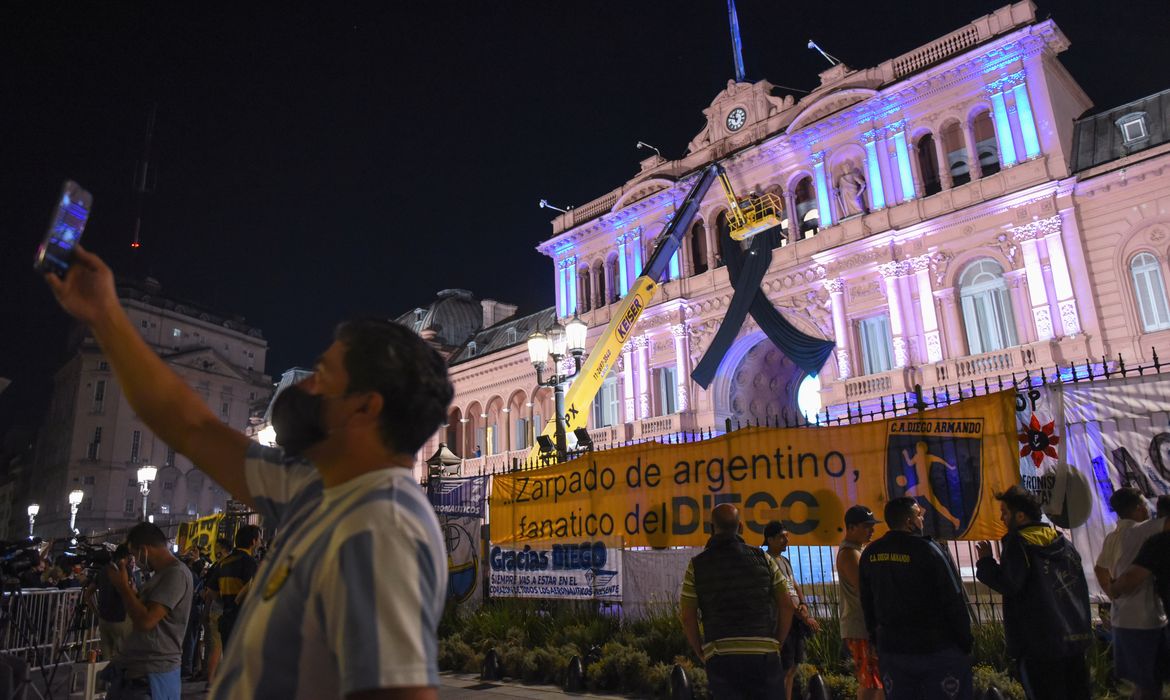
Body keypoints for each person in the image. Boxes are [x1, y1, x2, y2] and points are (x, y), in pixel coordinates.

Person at [46, 246, 452, 700]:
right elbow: (193, 426)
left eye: (321, 376)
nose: (302, 388)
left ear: (365, 406)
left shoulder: (382, 524)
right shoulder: (316, 489)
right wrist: (105, 316)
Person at [975, 486, 1092, 700]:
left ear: (1020, 516)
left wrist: (985, 562)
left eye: (1005, 512)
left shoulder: (1020, 545)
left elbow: (1010, 583)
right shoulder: (1063, 543)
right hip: (1073, 638)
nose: (1001, 518)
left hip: (1039, 643)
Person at [859, 497, 973, 699]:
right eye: (919, 515)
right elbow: (953, 597)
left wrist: (876, 639)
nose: (922, 520)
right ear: (909, 522)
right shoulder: (929, 549)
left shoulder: (871, 553)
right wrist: (965, 640)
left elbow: (867, 603)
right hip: (934, 648)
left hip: (893, 650)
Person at [680, 504, 795, 700]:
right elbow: (787, 605)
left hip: (721, 655)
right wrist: (777, 641)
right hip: (763, 655)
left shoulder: (697, 565)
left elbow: (687, 615)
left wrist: (700, 650)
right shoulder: (764, 559)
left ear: (711, 529)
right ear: (741, 527)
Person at [104, 522, 194, 700]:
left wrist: (123, 588)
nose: (134, 560)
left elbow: (146, 621)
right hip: (136, 671)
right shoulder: (161, 575)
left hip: (152, 675)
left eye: (134, 554)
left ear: (144, 550)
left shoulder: (176, 574)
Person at [1095, 488, 1166, 700]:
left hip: (1123, 618)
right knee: (1150, 685)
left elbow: (1100, 569)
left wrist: (1112, 592)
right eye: (1144, 505)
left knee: (1141, 685)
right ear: (1137, 508)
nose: (1147, 510)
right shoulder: (1143, 531)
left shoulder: (1113, 537)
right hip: (1144, 619)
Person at [763, 520, 820, 700]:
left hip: (794, 619)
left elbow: (794, 584)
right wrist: (803, 616)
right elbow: (783, 595)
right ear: (769, 539)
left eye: (787, 537)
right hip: (782, 620)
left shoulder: (784, 560)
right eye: (781, 537)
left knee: (793, 666)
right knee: (784, 668)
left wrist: (803, 604)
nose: (786, 541)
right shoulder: (767, 561)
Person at [837, 505, 884, 700]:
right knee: (871, 682)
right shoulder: (850, 553)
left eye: (872, 525)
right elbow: (865, 589)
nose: (872, 530)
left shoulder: (858, 550)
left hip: (863, 625)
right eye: (867, 526)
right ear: (851, 527)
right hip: (860, 626)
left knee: (875, 680)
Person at [205, 524, 261, 649]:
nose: (260, 544)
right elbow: (252, 590)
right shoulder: (250, 562)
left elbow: (212, 591)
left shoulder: (223, 563)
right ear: (253, 541)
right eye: (259, 540)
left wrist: (225, 602)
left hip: (226, 620)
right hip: (243, 622)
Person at [84, 544, 134, 661]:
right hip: (121, 620)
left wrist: (96, 612)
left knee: (106, 659)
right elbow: (130, 592)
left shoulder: (103, 571)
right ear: (127, 557)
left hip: (104, 620)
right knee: (122, 658)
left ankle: (105, 679)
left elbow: (88, 594)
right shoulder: (126, 570)